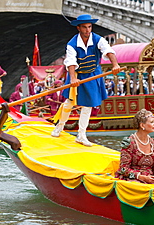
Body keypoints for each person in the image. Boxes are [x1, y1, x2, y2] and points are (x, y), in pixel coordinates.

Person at [51, 14, 120, 146]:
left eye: (89, 27)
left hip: (93, 74)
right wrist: (73, 78)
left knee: (88, 105)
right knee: (69, 103)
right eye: (84, 27)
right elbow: (70, 61)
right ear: (78, 28)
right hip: (77, 74)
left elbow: (108, 50)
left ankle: (81, 134)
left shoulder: (98, 39)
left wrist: (115, 64)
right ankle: (60, 126)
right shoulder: (72, 44)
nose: (88, 30)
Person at [115, 109, 154, 187]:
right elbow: (123, 169)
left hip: (151, 178)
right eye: (151, 122)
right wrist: (140, 177)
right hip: (134, 179)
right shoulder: (130, 142)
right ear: (142, 125)